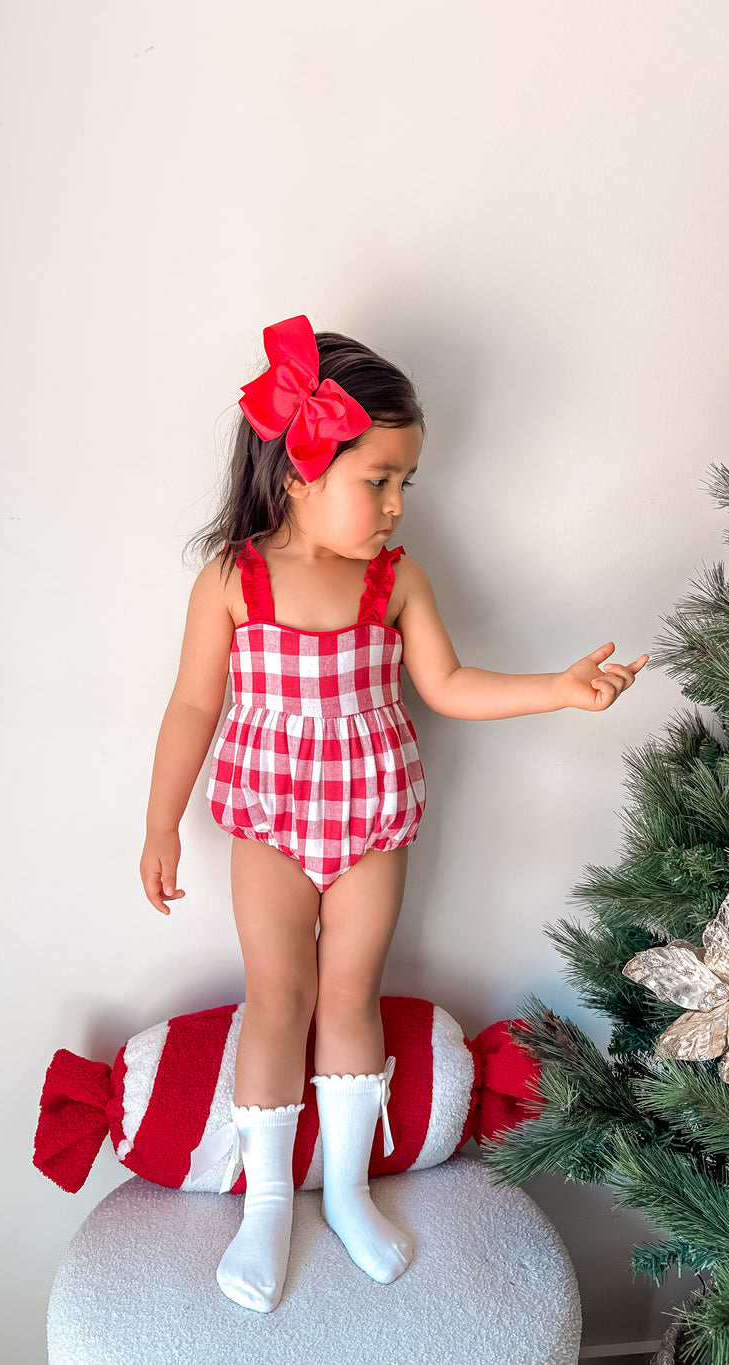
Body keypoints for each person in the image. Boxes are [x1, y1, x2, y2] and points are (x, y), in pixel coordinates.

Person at [139, 314, 648, 1312]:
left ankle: (343, 1190)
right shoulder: (234, 582)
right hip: (270, 821)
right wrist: (161, 823)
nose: (396, 503)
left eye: (404, 481)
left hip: (370, 816)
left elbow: (448, 685)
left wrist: (556, 687)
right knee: (277, 999)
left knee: (350, 997)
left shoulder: (395, 579)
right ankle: (270, 1203)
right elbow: (194, 703)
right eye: (378, 479)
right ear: (299, 469)